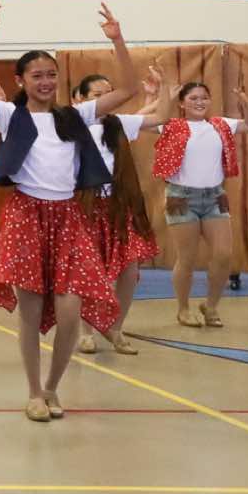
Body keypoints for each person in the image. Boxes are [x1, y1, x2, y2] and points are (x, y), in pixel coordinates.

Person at [0, 2, 137, 423]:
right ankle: (34, 391)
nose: (45, 81)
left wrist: (117, 40)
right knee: (32, 311)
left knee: (70, 311)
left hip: (68, 217)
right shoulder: (11, 115)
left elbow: (128, 89)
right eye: (36, 75)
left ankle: (54, 386)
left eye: (51, 74)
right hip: (27, 215)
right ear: (21, 80)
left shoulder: (74, 116)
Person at [74, 64, 169, 355]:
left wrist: (165, 88)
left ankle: (116, 328)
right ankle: (86, 331)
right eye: (97, 95)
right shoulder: (71, 125)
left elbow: (160, 117)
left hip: (118, 206)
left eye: (109, 93)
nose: (106, 99)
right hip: (84, 207)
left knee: (129, 269)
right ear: (80, 99)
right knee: (89, 271)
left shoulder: (118, 124)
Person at [153, 77, 248, 330]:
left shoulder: (221, 124)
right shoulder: (170, 126)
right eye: (193, 98)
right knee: (187, 258)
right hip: (181, 197)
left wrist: (245, 103)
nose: (200, 102)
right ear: (182, 103)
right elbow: (146, 121)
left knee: (224, 254)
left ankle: (210, 306)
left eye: (204, 98)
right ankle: (183, 309)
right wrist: (161, 96)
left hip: (214, 197)